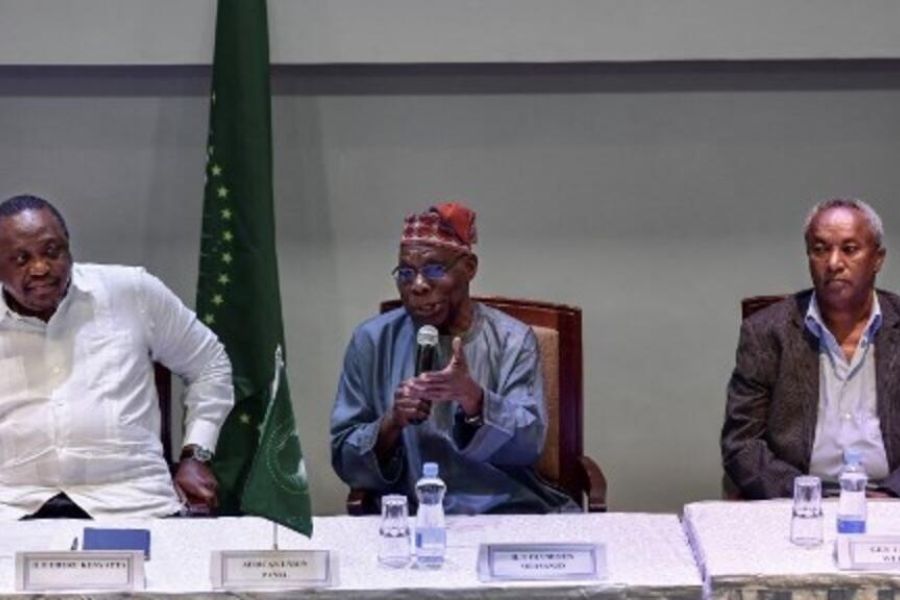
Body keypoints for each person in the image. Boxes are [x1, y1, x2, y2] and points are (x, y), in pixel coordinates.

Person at [330, 201, 575, 514]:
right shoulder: (372, 341)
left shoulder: (512, 340)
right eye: (406, 273)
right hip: (414, 513)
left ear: (469, 267)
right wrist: (391, 423)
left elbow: (529, 447)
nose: (418, 286)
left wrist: (475, 400)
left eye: (434, 270)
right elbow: (345, 459)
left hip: (504, 510)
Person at [0, 194, 234, 519]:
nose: (40, 268)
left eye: (52, 251)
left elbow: (209, 363)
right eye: (21, 258)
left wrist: (197, 454)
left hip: (132, 503)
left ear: (69, 247)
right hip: (13, 508)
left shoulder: (132, 292)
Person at [722, 198, 900, 499]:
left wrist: (891, 494)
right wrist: (808, 493)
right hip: (798, 499)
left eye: (849, 249)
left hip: (891, 498)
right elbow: (741, 444)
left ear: (878, 259)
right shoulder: (767, 332)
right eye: (820, 249)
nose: (833, 263)